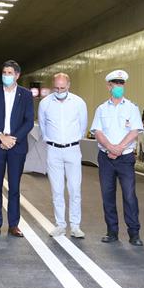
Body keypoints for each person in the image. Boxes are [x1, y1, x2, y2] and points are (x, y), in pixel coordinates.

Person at [92, 69, 144, 245]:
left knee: (129, 196)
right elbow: (97, 132)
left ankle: (134, 234)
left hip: (125, 158)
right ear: (109, 86)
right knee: (108, 195)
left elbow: (135, 131)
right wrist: (110, 148)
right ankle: (112, 232)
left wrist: (119, 149)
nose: (119, 87)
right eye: (116, 84)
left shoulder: (132, 108)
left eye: (122, 84)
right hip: (106, 158)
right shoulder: (101, 109)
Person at [0, 59, 34, 238]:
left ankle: (14, 225)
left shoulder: (25, 95)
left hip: (16, 146)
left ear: (17, 75)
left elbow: (29, 121)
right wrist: (1, 136)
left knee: (14, 187)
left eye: (10, 73)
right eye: (4, 73)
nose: (6, 76)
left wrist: (13, 139)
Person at [38, 72, 88, 238]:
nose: (59, 91)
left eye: (62, 88)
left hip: (73, 149)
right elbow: (43, 126)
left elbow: (83, 126)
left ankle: (75, 226)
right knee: (57, 190)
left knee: (74, 189)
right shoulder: (45, 103)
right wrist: (52, 141)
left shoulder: (79, 103)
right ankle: (60, 225)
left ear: (69, 85)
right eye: (56, 88)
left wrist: (72, 140)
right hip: (53, 150)